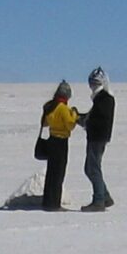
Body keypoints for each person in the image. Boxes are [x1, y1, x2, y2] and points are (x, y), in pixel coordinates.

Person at [37, 80, 79, 211]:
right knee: (59, 173)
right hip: (61, 142)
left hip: (51, 140)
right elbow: (70, 125)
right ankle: (54, 203)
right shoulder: (62, 108)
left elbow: (44, 123)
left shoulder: (51, 107)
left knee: (51, 172)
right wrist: (75, 114)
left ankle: (47, 201)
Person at [80, 66, 117, 210]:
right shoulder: (101, 98)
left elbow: (100, 119)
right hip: (96, 137)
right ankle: (104, 197)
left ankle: (99, 200)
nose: (93, 86)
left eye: (95, 83)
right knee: (91, 168)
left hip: (98, 138)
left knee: (92, 168)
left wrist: (86, 121)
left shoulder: (105, 98)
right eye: (92, 83)